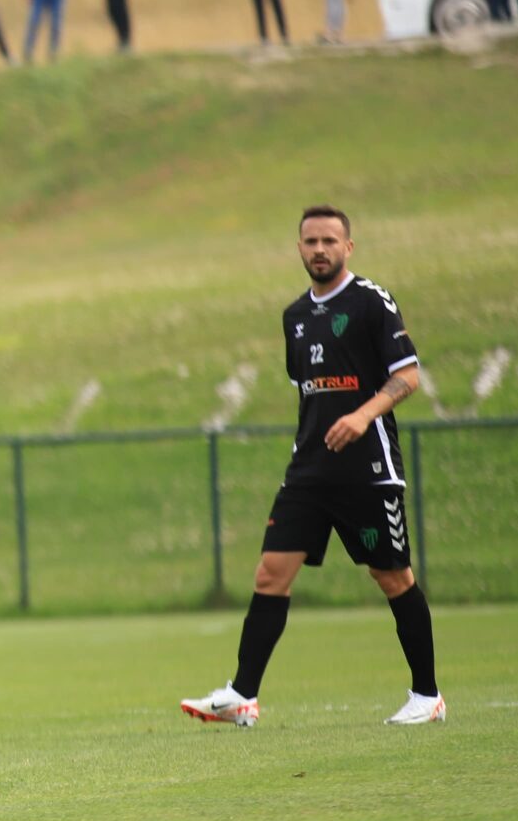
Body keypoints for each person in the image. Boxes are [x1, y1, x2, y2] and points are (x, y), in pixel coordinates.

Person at [182, 207, 441, 729]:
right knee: (270, 574)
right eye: (309, 241)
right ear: (298, 248)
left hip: (368, 469)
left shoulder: (371, 301)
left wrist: (363, 415)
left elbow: (407, 376)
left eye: (329, 240)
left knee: (392, 577)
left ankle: (427, 695)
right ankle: (242, 696)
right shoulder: (294, 316)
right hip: (308, 472)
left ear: (349, 247)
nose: (319, 249)